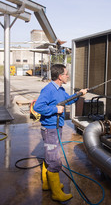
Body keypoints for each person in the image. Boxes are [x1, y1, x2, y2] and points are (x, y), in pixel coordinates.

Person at [34, 64, 87, 202]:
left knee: (49, 157)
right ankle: (56, 193)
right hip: (50, 129)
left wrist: (79, 94)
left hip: (56, 127)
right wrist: (55, 110)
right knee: (54, 160)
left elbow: (68, 100)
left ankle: (48, 184)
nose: (68, 76)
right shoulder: (48, 90)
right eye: (66, 74)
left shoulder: (60, 89)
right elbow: (38, 106)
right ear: (60, 76)